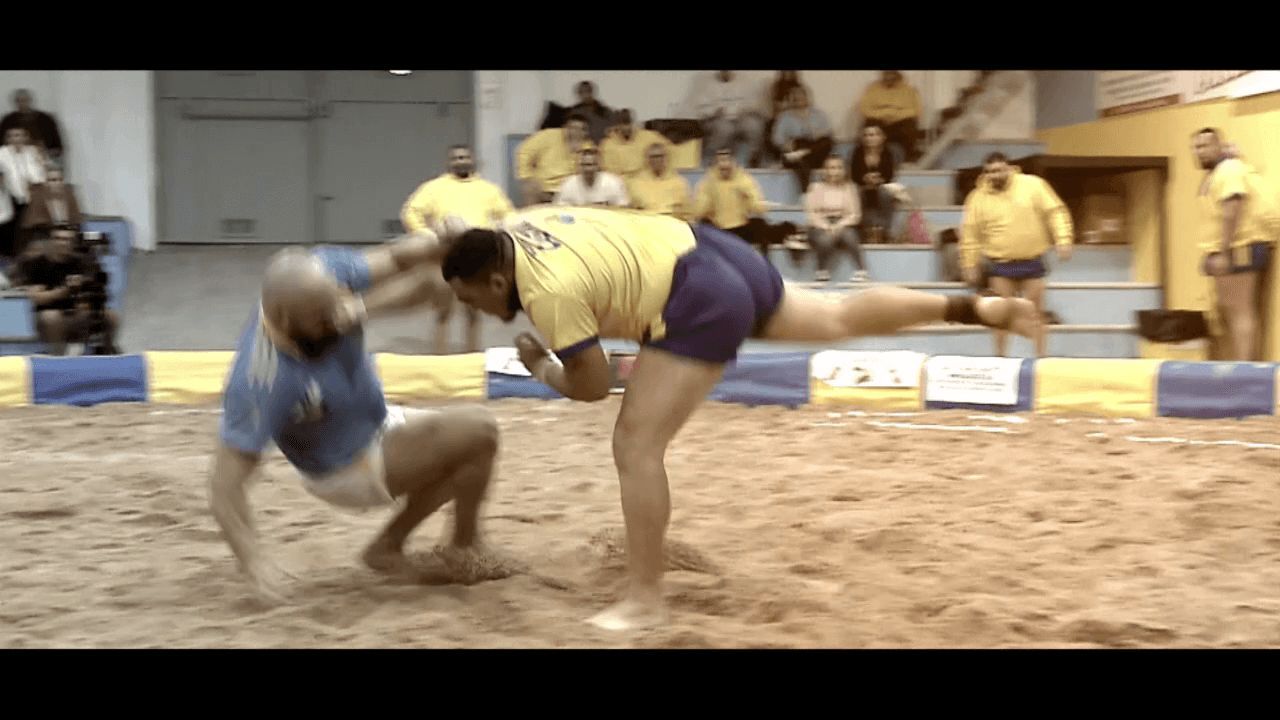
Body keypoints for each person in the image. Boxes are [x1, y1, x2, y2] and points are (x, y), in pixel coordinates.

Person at [438, 207, 1040, 631]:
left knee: (635, 446)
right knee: (835, 317)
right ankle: (976, 305)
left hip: (691, 295)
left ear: (496, 279)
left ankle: (645, 599)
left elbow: (592, 387)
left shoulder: (548, 293)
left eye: (474, 300)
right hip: (708, 249)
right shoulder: (522, 225)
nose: (483, 312)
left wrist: (542, 366)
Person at [209, 233, 502, 603]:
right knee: (478, 429)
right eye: (320, 320)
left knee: (472, 453)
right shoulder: (259, 379)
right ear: (285, 321)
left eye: (333, 308)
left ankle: (398, 546)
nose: (332, 322)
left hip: (380, 422)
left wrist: (442, 241)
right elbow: (224, 487)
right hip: (343, 469)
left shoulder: (326, 273)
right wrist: (253, 561)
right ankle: (461, 548)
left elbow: (408, 266)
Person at [401, 144, 513, 353]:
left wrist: (495, 237)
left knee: (474, 310)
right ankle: (441, 358)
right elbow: (411, 212)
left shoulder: (489, 189)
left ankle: (471, 357)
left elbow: (508, 216)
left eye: (464, 157)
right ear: (449, 162)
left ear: (472, 160)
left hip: (477, 255)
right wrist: (428, 235)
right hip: (444, 253)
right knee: (443, 310)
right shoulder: (434, 188)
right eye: (456, 158)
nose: (460, 161)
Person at [960, 153, 1073, 357]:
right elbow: (970, 234)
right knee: (1000, 315)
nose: (995, 175)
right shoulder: (977, 198)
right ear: (984, 173)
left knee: (1035, 314)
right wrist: (969, 264)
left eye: (999, 170)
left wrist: (1063, 239)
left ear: (1009, 168)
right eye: (990, 172)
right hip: (1000, 264)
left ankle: (1041, 359)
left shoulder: (1034, 185)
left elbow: (1055, 212)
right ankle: (1000, 360)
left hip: (1032, 260)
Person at [1192, 128, 1279, 361]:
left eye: (1205, 146)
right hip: (1233, 247)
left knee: (1240, 311)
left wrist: (1223, 251)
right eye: (1196, 147)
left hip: (1240, 247)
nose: (1199, 152)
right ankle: (1243, 367)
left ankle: (1246, 370)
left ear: (1219, 145)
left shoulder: (1229, 170)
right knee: (1232, 310)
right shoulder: (1223, 171)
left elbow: (1232, 209)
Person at [804, 155, 866, 282]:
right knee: (825, 239)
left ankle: (861, 270)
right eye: (831, 168)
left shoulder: (850, 188)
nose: (835, 171)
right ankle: (821, 270)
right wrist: (826, 226)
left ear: (844, 170)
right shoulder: (815, 187)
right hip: (820, 224)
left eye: (839, 168)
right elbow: (811, 213)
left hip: (843, 223)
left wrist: (839, 225)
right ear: (824, 170)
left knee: (849, 235)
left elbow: (855, 214)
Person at [847, 122, 898, 244]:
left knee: (885, 193)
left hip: (881, 187)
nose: (870, 138)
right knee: (856, 193)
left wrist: (878, 180)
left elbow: (889, 175)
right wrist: (865, 179)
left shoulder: (888, 152)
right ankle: (862, 231)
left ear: (882, 137)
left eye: (874, 134)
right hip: (863, 187)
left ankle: (885, 230)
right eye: (867, 135)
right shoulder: (857, 152)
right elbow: (855, 175)